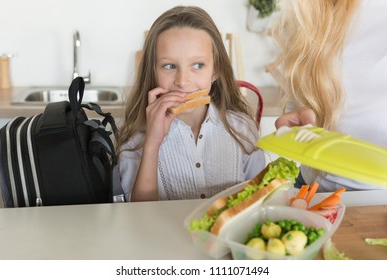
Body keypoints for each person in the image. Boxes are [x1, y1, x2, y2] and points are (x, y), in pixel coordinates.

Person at [116, 6, 266, 201]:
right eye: (169, 66)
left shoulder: (243, 129)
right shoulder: (135, 140)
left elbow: (260, 200)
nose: (183, 81)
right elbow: (139, 216)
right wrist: (152, 144)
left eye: (198, 65)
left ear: (216, 71)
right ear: (152, 71)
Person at [271, 0, 387, 192]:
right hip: (310, 190)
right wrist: (296, 123)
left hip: (377, 200)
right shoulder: (313, 10)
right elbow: (302, 109)